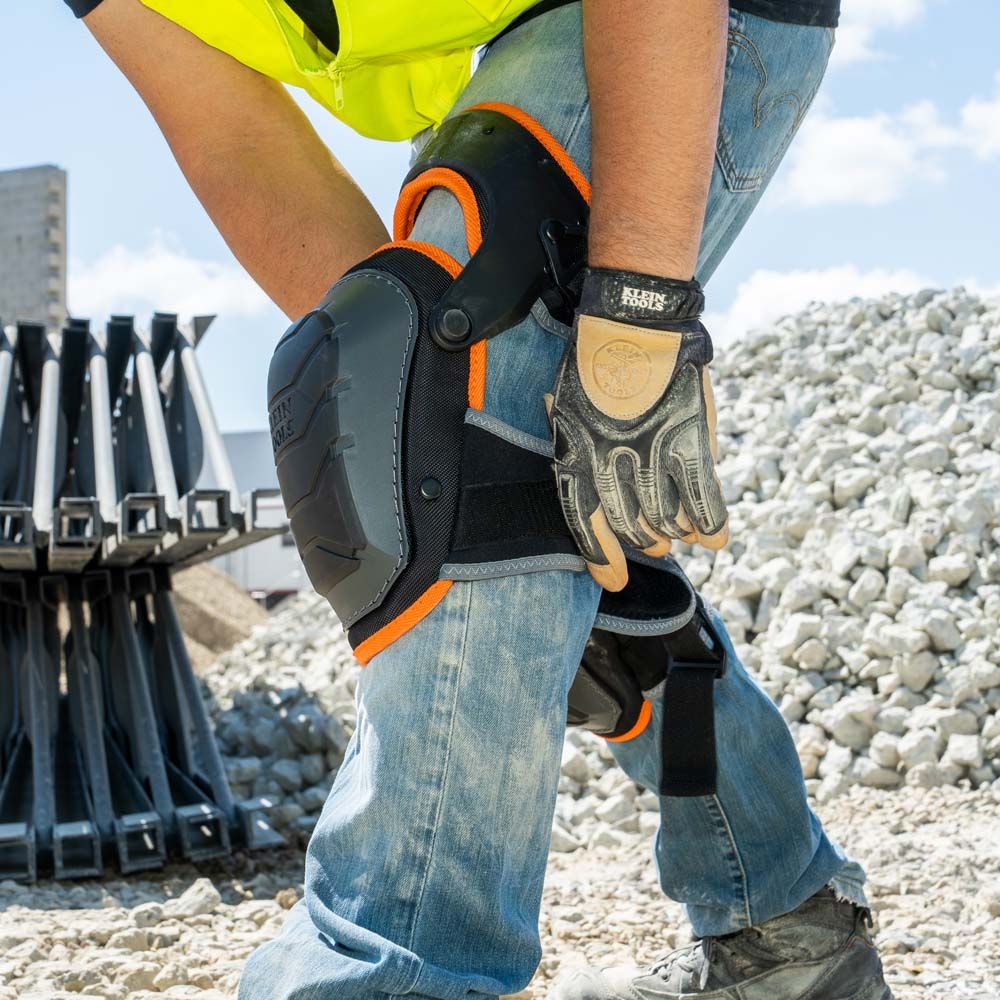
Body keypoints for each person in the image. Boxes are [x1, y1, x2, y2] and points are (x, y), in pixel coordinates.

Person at [72, 1, 894, 998]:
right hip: (532, 43)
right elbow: (231, 131)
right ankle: (783, 926)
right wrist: (400, 389)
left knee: (466, 472)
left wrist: (639, 307)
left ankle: (394, 973)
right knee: (503, 496)